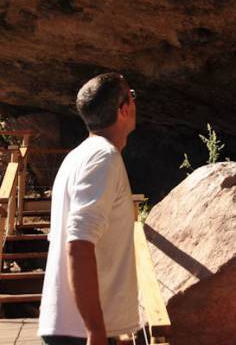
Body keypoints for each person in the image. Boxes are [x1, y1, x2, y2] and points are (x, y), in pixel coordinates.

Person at [39, 73, 140, 345]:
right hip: (82, 332)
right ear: (124, 109)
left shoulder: (78, 156)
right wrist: (95, 331)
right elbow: (79, 244)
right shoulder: (102, 158)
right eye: (132, 95)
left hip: (73, 328)